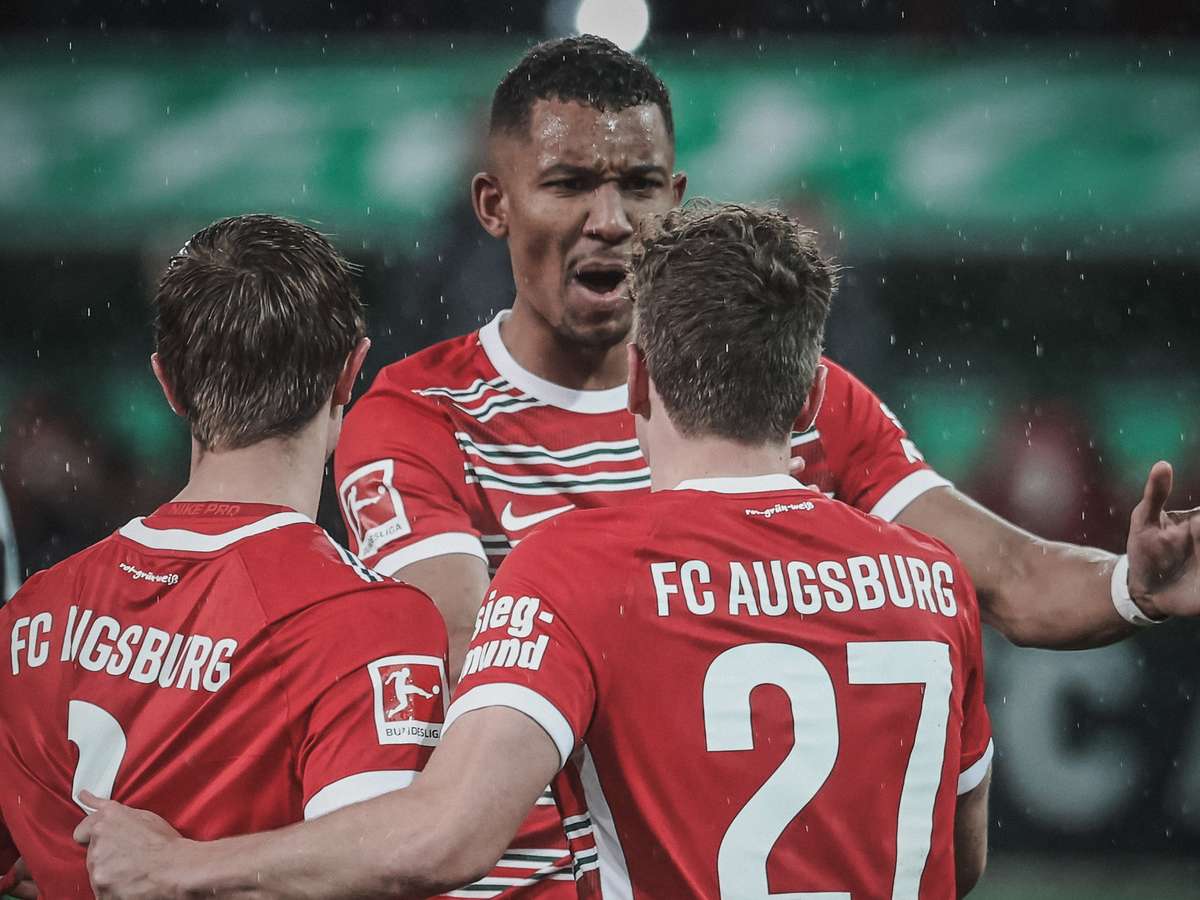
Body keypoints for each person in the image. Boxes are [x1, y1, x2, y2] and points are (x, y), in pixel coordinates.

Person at [329, 34, 1200, 896]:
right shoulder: (420, 416)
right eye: (569, 184)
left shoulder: (794, 395)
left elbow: (1010, 575)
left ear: (675, 199)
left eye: (640, 185)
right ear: (494, 204)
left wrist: (1132, 585)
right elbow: (460, 649)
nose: (611, 219)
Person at [77, 202, 994, 899]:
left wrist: (185, 866)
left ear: (639, 381)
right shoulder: (932, 578)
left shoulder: (576, 569)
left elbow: (444, 839)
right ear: (811, 399)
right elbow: (961, 854)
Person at [0, 214, 448, 897]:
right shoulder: (371, 626)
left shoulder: (29, 619)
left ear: (167, 384)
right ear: (349, 375)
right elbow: (379, 874)